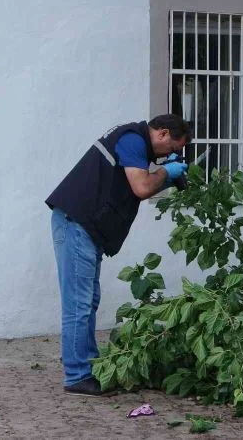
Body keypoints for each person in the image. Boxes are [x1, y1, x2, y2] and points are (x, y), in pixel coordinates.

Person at [45, 114, 191, 396]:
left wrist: (170, 181)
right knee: (79, 303)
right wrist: (167, 174)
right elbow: (141, 187)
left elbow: (141, 186)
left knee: (88, 300)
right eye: (172, 149)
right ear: (162, 133)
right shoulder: (132, 140)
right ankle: (76, 376)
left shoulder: (134, 143)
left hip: (85, 226)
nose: (169, 155)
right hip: (76, 224)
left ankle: (85, 365)